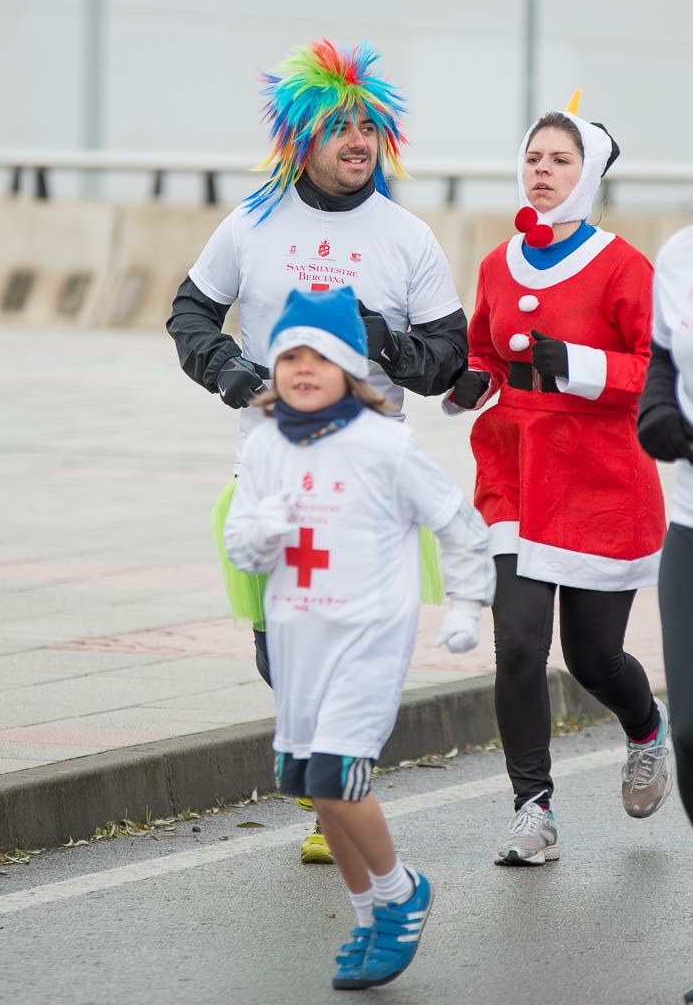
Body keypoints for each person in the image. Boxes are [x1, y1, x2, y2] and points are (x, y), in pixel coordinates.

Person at [167, 38, 467, 863]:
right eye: (339, 127)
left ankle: (338, 793)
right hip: (266, 469)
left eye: (368, 127)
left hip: (367, 483)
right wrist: (229, 369)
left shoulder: (406, 237)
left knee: (344, 644)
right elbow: (190, 314)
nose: (358, 141)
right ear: (304, 139)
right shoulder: (252, 222)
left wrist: (384, 343)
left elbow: (451, 357)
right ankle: (334, 777)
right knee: (278, 648)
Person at [224, 286, 495, 989]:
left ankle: (403, 892)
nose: (303, 368)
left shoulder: (385, 443)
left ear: (350, 366)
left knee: (339, 777)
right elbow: (241, 547)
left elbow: (458, 523)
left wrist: (466, 604)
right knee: (312, 783)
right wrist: (263, 531)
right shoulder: (262, 445)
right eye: (289, 355)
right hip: (298, 640)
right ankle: (369, 911)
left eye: (320, 355)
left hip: (368, 636)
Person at [443, 90, 672, 866]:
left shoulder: (624, 267)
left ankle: (645, 727)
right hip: (515, 470)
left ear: (588, 175)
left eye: (560, 160)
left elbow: (652, 371)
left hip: (602, 480)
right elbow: (483, 350)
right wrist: (469, 381)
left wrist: (573, 364)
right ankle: (532, 808)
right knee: (517, 644)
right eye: (534, 158)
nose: (542, 171)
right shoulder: (496, 263)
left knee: (592, 657)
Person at [637, 226, 693, 1005]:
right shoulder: (681, 254)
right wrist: (656, 413)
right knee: (692, 733)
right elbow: (662, 365)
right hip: (691, 523)